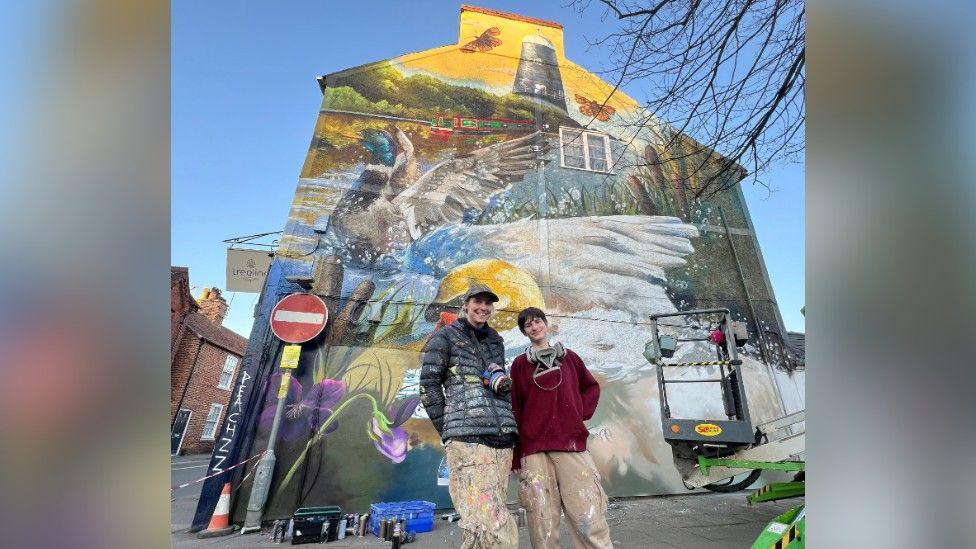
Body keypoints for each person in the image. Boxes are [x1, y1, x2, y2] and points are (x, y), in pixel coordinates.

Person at [419, 281, 519, 549]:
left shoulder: (495, 339)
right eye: (478, 302)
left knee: (480, 523)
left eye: (488, 303)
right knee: (495, 521)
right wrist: (449, 429)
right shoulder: (445, 337)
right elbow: (428, 386)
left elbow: (498, 385)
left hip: (500, 439)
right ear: (465, 304)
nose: (483, 308)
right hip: (468, 440)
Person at [510, 307, 613, 549]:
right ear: (524, 332)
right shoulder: (519, 365)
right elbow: (515, 407)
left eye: (537, 322)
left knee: (587, 511)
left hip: (571, 445)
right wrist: (516, 455)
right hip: (534, 449)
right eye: (528, 325)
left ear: (546, 324)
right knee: (541, 517)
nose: (534, 327)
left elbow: (591, 388)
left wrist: (577, 415)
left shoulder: (570, 358)